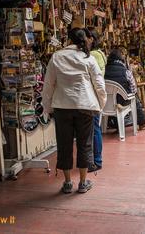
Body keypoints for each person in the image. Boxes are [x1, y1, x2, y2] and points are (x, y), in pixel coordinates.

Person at [43, 28, 107, 194]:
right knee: (84, 144)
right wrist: (100, 104)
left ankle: (67, 182)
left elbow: (48, 85)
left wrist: (47, 108)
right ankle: (83, 182)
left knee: (64, 144)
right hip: (85, 106)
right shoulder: (88, 58)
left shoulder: (57, 56)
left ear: (68, 39)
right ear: (84, 39)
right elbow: (99, 85)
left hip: (62, 107)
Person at [104, 49, 145, 130]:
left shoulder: (104, 71)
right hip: (122, 102)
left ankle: (112, 123)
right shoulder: (125, 71)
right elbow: (134, 89)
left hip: (107, 102)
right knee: (134, 97)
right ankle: (142, 122)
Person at [86, 29, 107, 173]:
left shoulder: (92, 55)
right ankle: (95, 159)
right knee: (94, 128)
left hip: (92, 97)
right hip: (95, 96)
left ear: (91, 39)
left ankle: (96, 160)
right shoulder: (100, 53)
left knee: (93, 129)